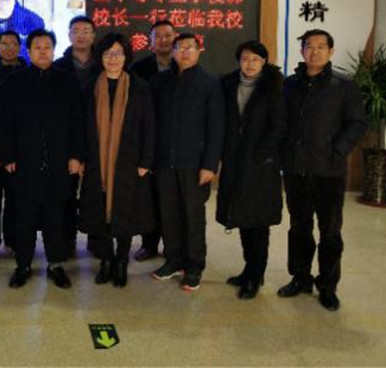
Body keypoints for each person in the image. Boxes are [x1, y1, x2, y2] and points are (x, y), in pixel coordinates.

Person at [278, 29, 368, 311]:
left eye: (320, 46)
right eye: (309, 46)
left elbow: (357, 123)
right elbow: (280, 123)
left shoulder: (344, 85)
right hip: (296, 169)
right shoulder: (289, 85)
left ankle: (328, 286)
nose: (314, 51)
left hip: (329, 171)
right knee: (299, 227)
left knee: (330, 232)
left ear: (331, 51)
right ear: (302, 50)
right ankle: (300, 278)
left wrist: (337, 151)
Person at [0, 28, 85, 290]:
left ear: (54, 50)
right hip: (24, 162)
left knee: (56, 215)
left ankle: (55, 264)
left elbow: (78, 121)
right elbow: (4, 122)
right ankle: (23, 265)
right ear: (29, 51)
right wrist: (8, 155)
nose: (43, 52)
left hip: (59, 161)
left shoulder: (67, 80)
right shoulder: (15, 81)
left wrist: (76, 155)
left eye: (47, 47)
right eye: (37, 47)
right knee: (24, 215)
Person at [78, 32, 155, 288]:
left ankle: (121, 260)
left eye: (118, 53)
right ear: (100, 57)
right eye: (108, 54)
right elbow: (80, 125)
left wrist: (146, 160)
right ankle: (106, 260)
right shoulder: (90, 86)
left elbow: (149, 125)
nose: (113, 58)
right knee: (99, 212)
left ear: (126, 56)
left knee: (125, 211)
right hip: (96, 160)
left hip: (129, 160)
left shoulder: (139, 86)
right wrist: (80, 157)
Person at [150, 32, 224, 292]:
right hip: (164, 162)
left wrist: (210, 165)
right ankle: (173, 259)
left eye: (190, 47)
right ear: (172, 51)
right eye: (180, 47)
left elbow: (216, 128)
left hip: (195, 163)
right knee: (168, 214)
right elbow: (151, 123)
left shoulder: (210, 83)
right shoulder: (159, 81)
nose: (184, 52)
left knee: (193, 217)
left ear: (199, 50)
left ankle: (194, 266)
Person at [216, 40, 286, 300]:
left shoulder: (275, 86)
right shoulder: (227, 84)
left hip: (261, 165)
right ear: (239, 61)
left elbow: (280, 126)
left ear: (264, 62)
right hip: (235, 161)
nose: (250, 64)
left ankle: (256, 275)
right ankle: (249, 269)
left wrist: (262, 154)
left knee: (258, 222)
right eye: (245, 58)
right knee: (242, 217)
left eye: (256, 59)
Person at [53, 15, 101, 256]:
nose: (81, 35)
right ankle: (66, 239)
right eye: (76, 30)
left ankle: (97, 240)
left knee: (97, 191)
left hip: (98, 137)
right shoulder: (58, 67)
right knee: (66, 193)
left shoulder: (104, 64)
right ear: (69, 35)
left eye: (86, 30)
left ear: (93, 35)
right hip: (67, 139)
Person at [130, 19, 175, 262]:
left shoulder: (185, 66)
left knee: (172, 199)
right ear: (151, 42)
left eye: (168, 35)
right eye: (158, 36)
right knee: (148, 197)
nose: (164, 40)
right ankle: (148, 244)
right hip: (146, 141)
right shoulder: (139, 69)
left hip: (174, 143)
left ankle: (173, 245)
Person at [0, 30, 27, 259]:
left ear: (20, 48)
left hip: (19, 148)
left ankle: (14, 240)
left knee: (17, 198)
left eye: (13, 43)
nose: (9, 47)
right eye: (4, 43)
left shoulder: (28, 73)